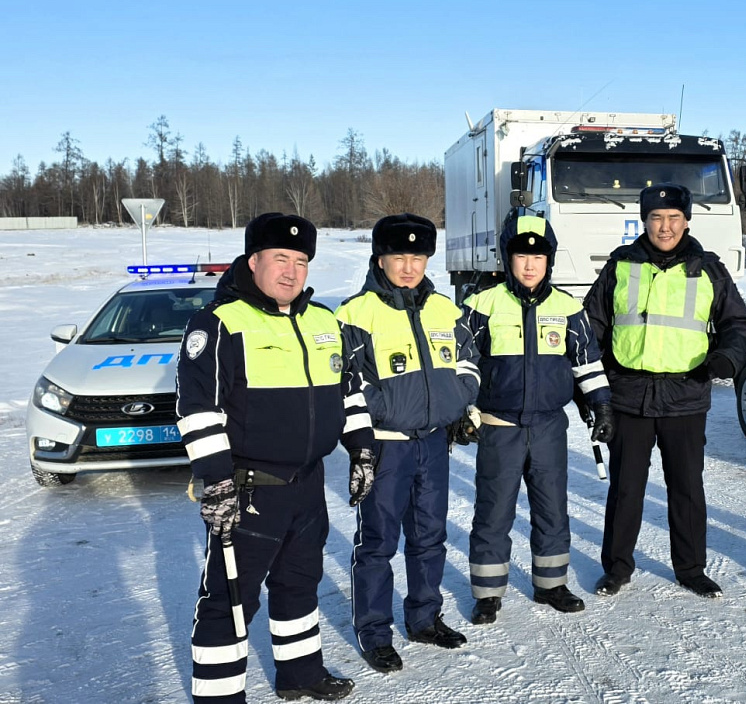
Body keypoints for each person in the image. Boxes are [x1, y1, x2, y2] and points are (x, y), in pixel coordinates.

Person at [178, 213, 374, 703]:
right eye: (280, 258)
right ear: (254, 261)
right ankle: (220, 698)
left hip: (308, 486)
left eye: (301, 261)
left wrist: (362, 449)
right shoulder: (221, 323)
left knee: (299, 585)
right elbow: (198, 410)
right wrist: (216, 483)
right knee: (230, 601)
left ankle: (300, 675)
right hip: (249, 490)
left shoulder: (324, 321)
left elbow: (349, 393)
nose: (291, 271)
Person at [583, 183, 746, 598]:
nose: (665, 226)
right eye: (656, 218)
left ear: (686, 221)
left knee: (687, 488)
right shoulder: (620, 265)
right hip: (629, 395)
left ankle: (691, 569)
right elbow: (592, 326)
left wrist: (726, 358)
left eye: (673, 218)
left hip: (686, 395)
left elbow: (738, 322)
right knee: (626, 488)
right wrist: (592, 387)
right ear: (644, 222)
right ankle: (617, 568)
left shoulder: (708, 268)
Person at [334, 213, 480, 672]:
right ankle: (375, 632)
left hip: (434, 444)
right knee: (377, 542)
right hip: (386, 446)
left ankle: (424, 618)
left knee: (430, 536)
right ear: (380, 259)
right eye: (399, 257)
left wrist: (457, 402)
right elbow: (347, 382)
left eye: (418, 257)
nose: (409, 267)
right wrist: (388, 412)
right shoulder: (354, 314)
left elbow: (469, 363)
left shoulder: (445, 310)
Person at [461, 211, 614, 625]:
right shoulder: (481, 305)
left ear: (549, 260)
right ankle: (488, 593)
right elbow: (462, 364)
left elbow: (586, 361)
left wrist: (601, 404)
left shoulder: (567, 307)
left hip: (548, 427)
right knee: (494, 510)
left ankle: (551, 584)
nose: (530, 265)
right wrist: (462, 410)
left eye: (539, 257)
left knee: (552, 508)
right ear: (507, 258)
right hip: (499, 426)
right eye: (521, 256)